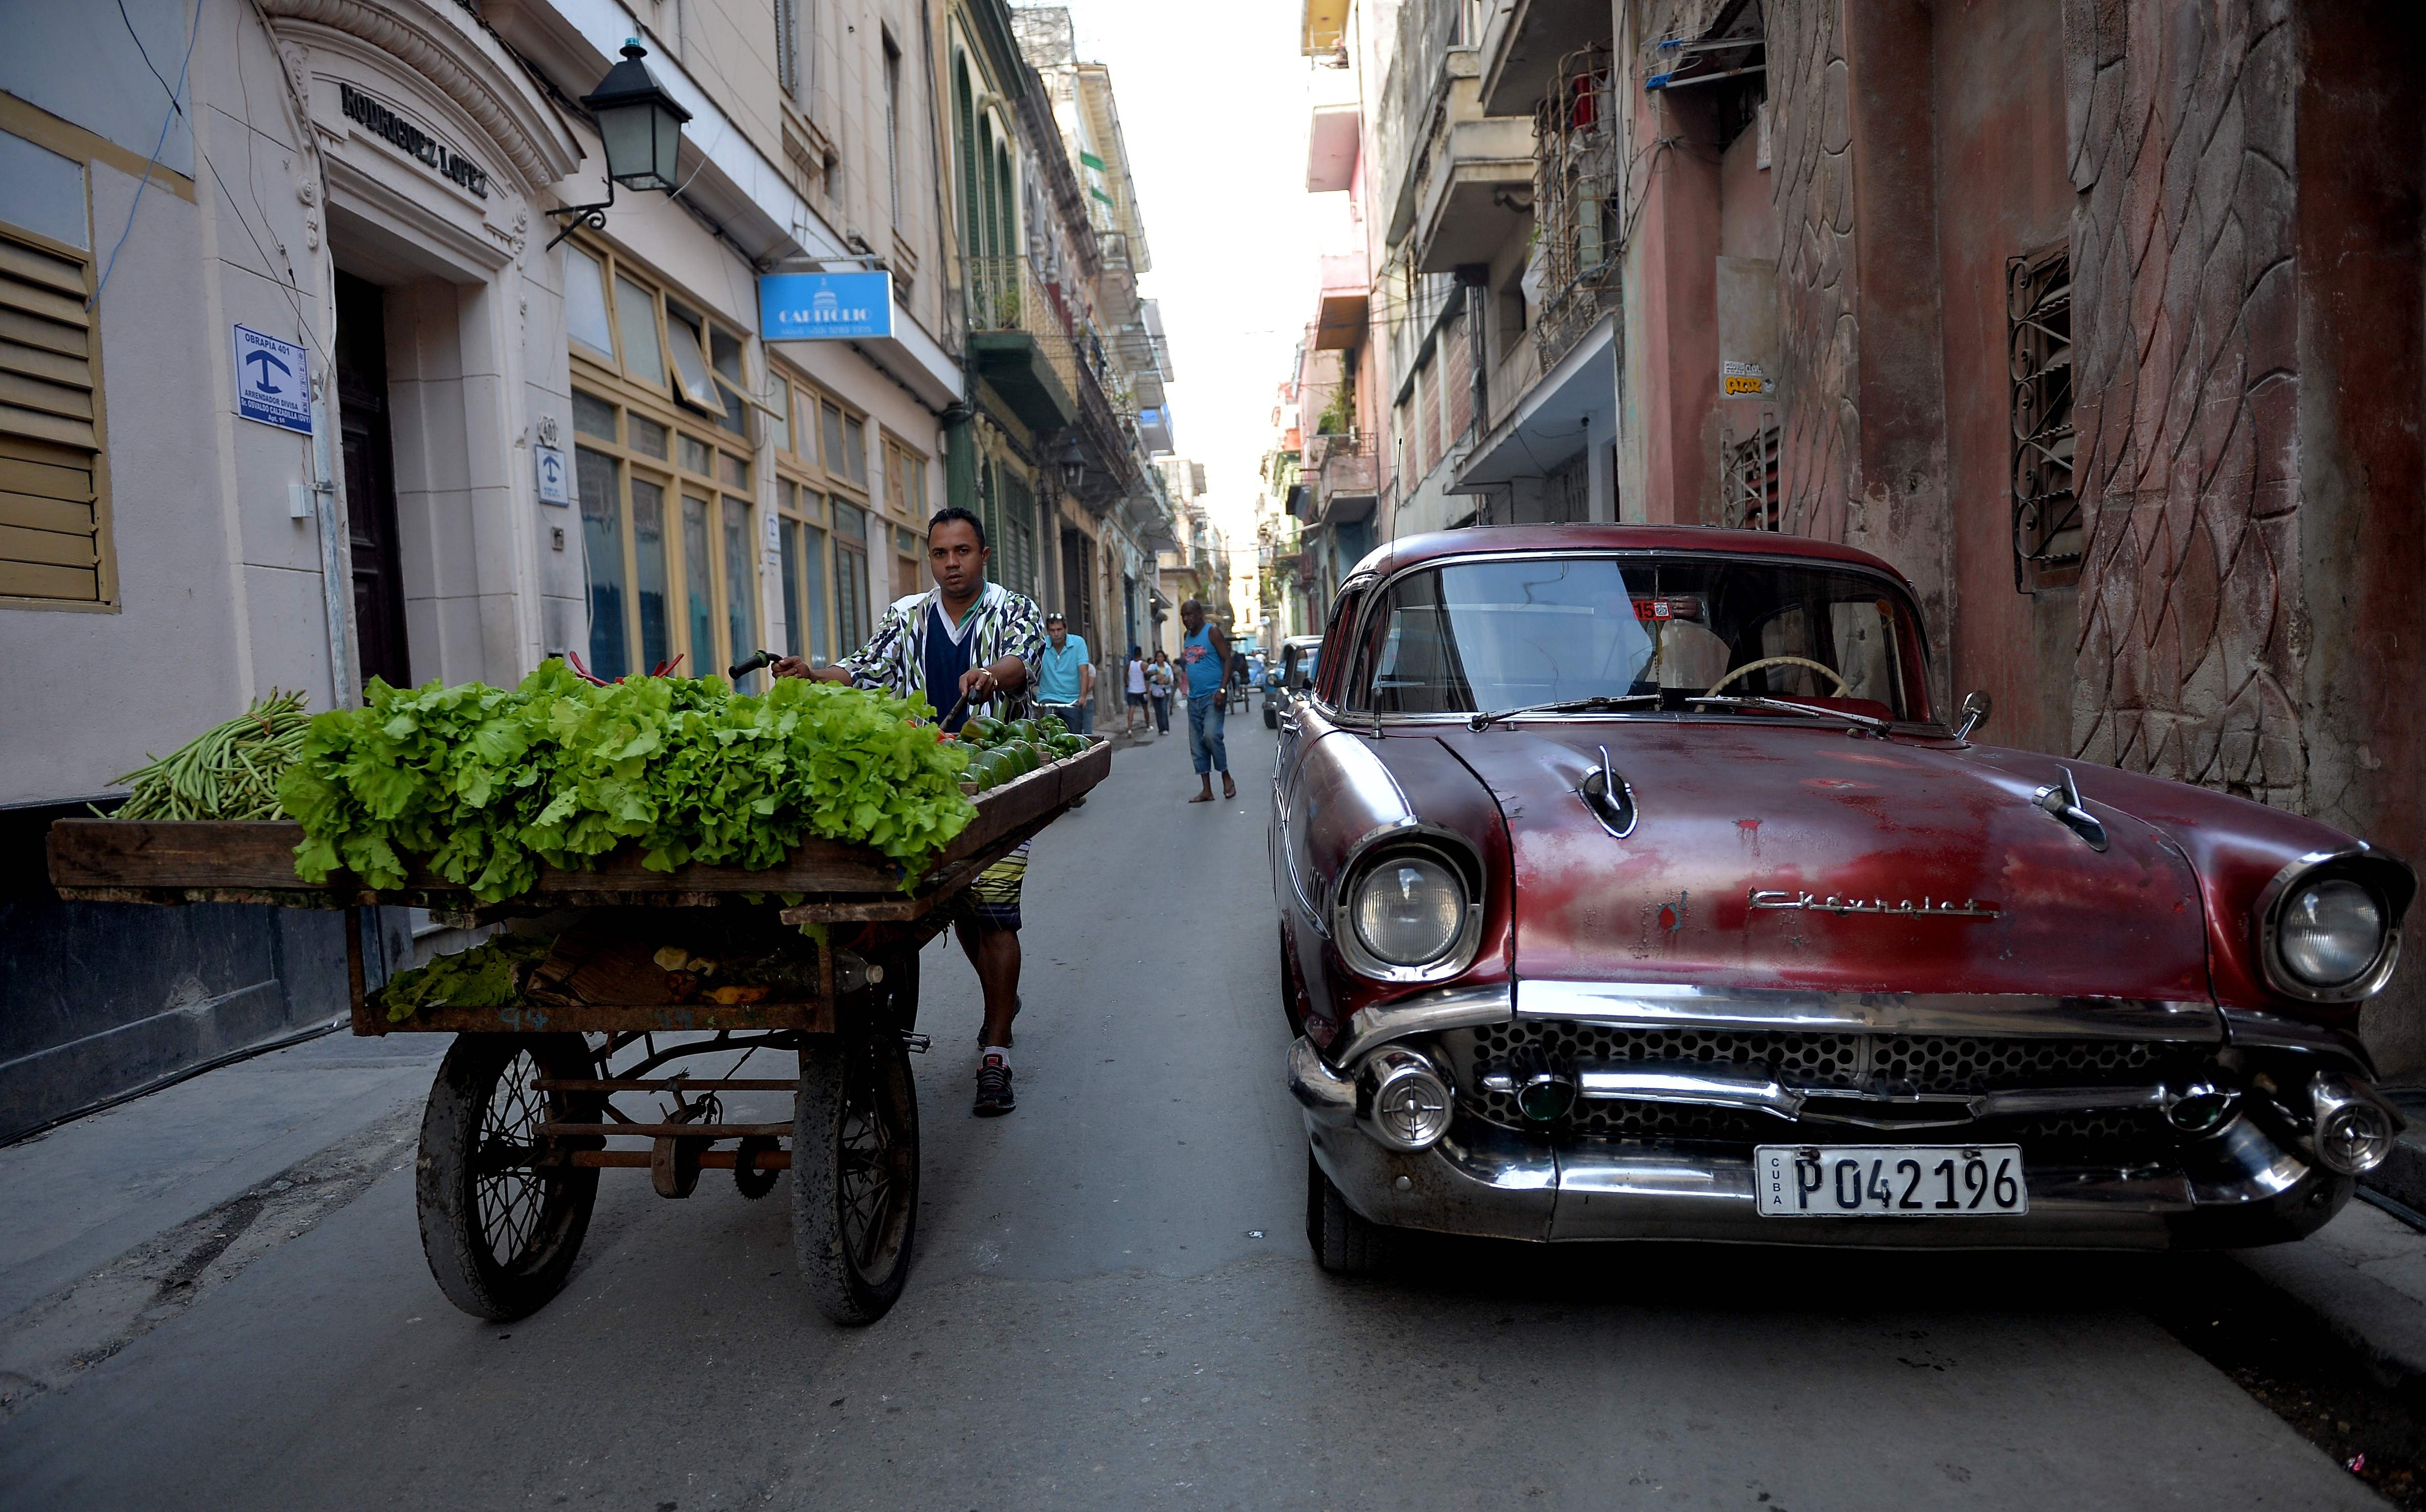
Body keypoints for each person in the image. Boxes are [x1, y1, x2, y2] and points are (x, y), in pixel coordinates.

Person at [772, 506, 1044, 1117]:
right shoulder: (905, 616)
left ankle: (996, 1050)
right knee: (956, 909)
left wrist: (989, 676)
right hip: (922, 785)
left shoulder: (1013, 610)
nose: (952, 563)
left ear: (983, 555)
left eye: (963, 552)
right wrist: (812, 673)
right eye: (941, 553)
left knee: (994, 914)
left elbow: (1022, 663)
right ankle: (999, 998)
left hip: (995, 781)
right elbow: (863, 670)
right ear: (931, 558)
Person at [1178, 598, 1235, 803]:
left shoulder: (1212, 632)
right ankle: (1207, 790)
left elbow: (1228, 659)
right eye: (1183, 615)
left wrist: (1222, 689)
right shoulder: (1187, 636)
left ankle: (1226, 776)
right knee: (1197, 745)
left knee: (1212, 736)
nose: (1186, 619)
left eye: (1190, 614)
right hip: (1194, 699)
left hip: (1213, 697)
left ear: (1200, 614)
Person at [1035, 613, 1093, 738]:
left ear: (1066, 629)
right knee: (1046, 738)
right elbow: (1031, 667)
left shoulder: (1078, 643)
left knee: (1075, 739)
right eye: (1052, 630)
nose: (1056, 634)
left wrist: (1082, 696)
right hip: (1048, 699)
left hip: (1071, 701)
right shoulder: (1042, 644)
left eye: (1059, 630)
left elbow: (1084, 671)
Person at [1122, 645, 1149, 735]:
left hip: (1132, 690)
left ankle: (1130, 728)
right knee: (1145, 709)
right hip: (1142, 690)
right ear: (1141, 654)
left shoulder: (1129, 665)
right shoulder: (1144, 665)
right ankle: (1148, 725)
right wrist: (1148, 691)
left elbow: (1125, 677)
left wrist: (1126, 684)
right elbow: (1147, 679)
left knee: (1131, 709)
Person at [1149, 651, 1174, 735]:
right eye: (1158, 657)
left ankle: (1166, 728)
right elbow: (1148, 677)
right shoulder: (1152, 667)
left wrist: (1165, 681)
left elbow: (1171, 678)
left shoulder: (1168, 667)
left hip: (1165, 690)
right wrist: (1156, 678)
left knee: (1164, 709)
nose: (1160, 658)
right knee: (1158, 710)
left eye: (1161, 657)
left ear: (1164, 658)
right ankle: (1161, 729)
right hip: (1155, 690)